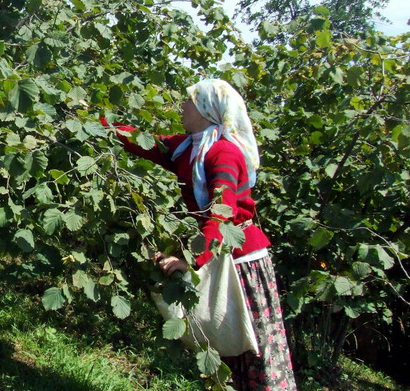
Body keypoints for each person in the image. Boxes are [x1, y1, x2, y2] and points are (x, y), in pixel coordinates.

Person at [101, 78, 296, 390]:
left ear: (206, 108)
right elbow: (145, 141)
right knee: (225, 344)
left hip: (242, 261)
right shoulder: (187, 147)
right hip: (217, 250)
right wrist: (99, 123)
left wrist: (189, 261)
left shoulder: (223, 153)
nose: (182, 107)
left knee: (250, 344)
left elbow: (222, 215)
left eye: (188, 101)